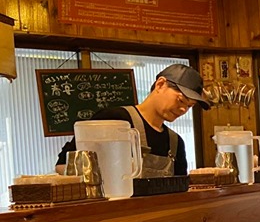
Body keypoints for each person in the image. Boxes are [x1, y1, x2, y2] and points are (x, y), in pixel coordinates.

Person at [57, 64, 210, 177]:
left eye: (189, 106)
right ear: (160, 84)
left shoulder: (175, 142)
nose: (183, 109)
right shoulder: (114, 119)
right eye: (181, 100)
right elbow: (62, 166)